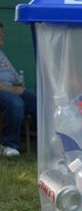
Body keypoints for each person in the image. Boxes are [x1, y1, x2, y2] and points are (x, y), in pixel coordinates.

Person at [0, 22, 37, 157]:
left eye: (2, 33)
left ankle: (44, 139)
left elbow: (13, 74)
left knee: (35, 100)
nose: (2, 36)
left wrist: (19, 84)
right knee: (16, 103)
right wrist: (13, 90)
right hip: (4, 91)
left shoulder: (1, 54)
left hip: (10, 90)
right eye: (0, 34)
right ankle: (8, 144)